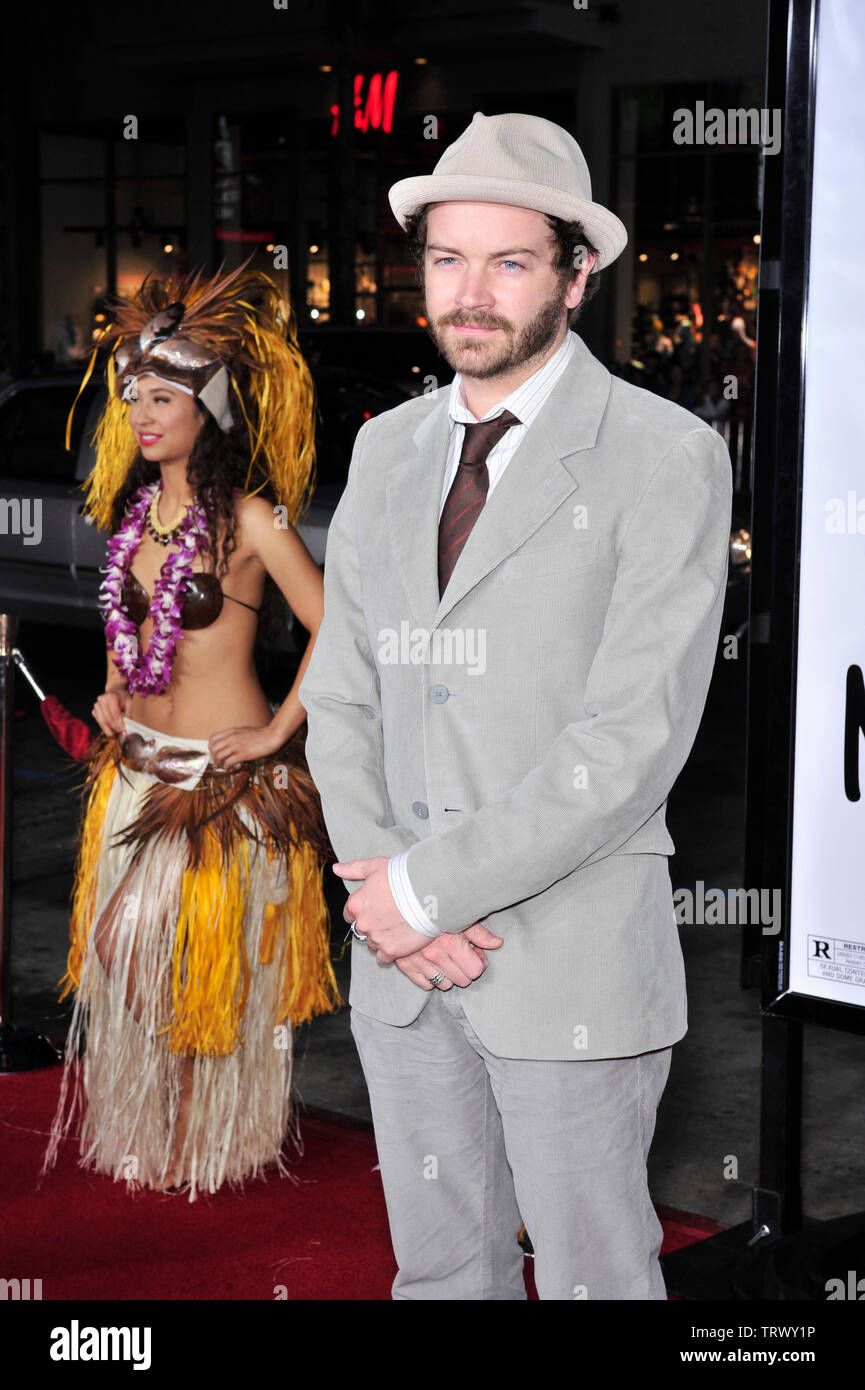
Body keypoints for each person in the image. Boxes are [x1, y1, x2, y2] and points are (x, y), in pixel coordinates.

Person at [299, 111, 733, 1299]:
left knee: (595, 1279)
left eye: (509, 260)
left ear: (577, 273)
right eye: (446, 259)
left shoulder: (663, 455)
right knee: (440, 1272)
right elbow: (344, 690)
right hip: (399, 961)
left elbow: (630, 739)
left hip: (570, 967)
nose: (469, 292)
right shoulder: (387, 449)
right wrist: (385, 884)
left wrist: (427, 892)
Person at [41, 258, 340, 1201]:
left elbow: (339, 629)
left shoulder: (251, 517)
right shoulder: (133, 521)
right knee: (125, 956)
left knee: (209, 976)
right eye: (135, 397)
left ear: (206, 411)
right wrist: (111, 689)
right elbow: (123, 624)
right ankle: (156, 1114)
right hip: (138, 769)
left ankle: (216, 1138)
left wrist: (281, 731)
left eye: (165, 396)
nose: (144, 413)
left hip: (224, 779)